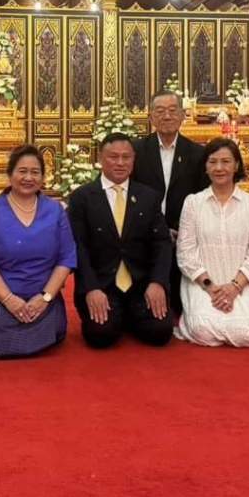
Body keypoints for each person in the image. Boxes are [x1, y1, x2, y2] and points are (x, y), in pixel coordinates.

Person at [0, 145, 76, 358]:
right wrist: (9, 299)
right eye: (22, 171)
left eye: (35, 172)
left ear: (43, 177)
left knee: (44, 327)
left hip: (40, 293)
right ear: (10, 174)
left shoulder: (55, 210)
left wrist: (45, 298)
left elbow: (66, 258)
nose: (28, 178)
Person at [68, 132, 173, 348]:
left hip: (140, 285)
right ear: (100, 158)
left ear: (134, 160)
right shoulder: (82, 197)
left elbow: (162, 244)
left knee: (160, 332)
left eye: (126, 157)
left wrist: (157, 283)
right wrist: (91, 288)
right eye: (113, 157)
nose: (120, 163)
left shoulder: (148, 196)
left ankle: (128, 316)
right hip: (102, 285)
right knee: (101, 335)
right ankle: (119, 317)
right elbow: (79, 247)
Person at [174, 138, 249, 347]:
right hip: (203, 283)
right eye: (212, 162)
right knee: (202, 329)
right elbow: (185, 252)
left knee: (247, 331)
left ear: (236, 165)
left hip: (243, 283)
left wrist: (234, 287)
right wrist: (211, 287)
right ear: (205, 166)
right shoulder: (193, 203)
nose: (219, 168)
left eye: (226, 161)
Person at [132, 90, 207, 313]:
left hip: (183, 236)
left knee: (182, 306)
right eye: (160, 111)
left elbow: (202, 198)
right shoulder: (135, 151)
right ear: (150, 117)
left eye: (173, 111)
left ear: (183, 115)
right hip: (144, 236)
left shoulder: (197, 154)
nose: (167, 116)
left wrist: (183, 230)